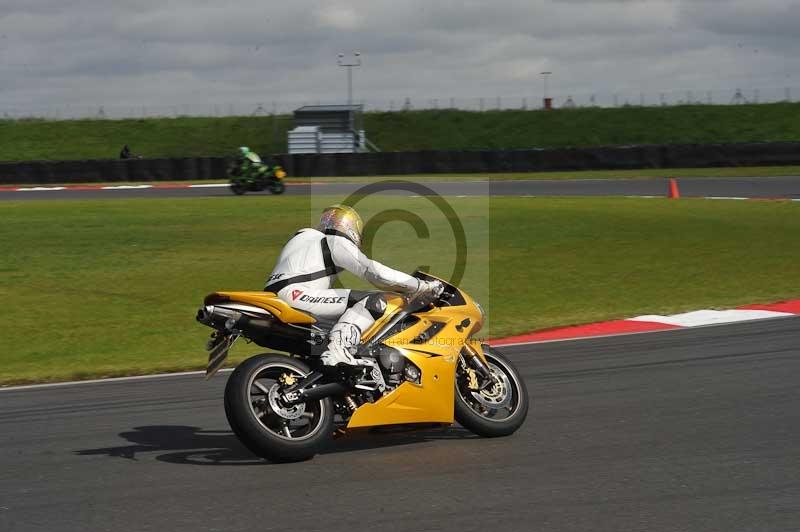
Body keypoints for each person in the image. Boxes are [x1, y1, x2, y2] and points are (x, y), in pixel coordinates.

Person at [265, 205, 443, 367]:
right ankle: (338, 348)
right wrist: (420, 285)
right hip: (297, 295)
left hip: (275, 296)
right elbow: (375, 273)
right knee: (376, 301)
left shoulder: (301, 238)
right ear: (351, 227)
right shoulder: (334, 241)